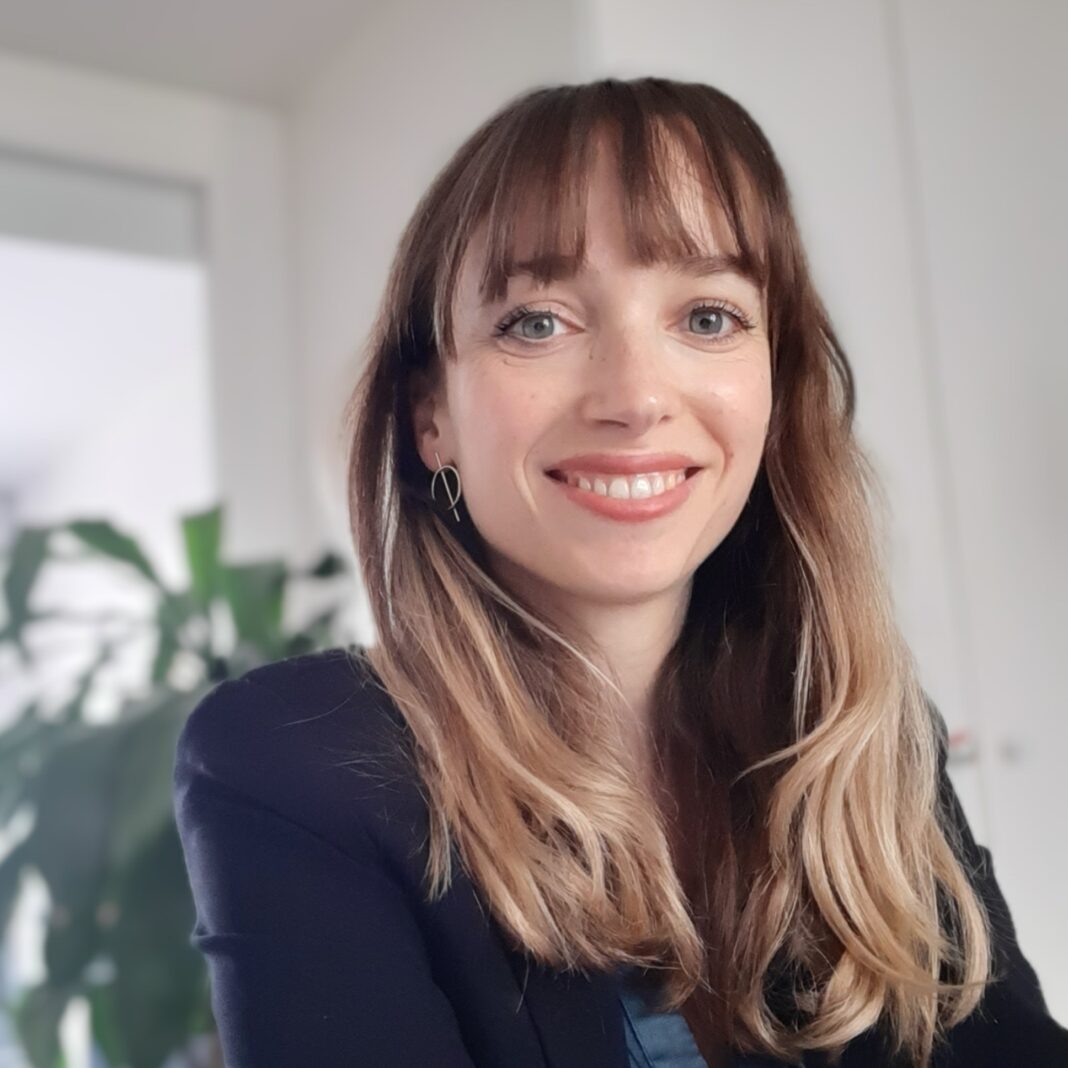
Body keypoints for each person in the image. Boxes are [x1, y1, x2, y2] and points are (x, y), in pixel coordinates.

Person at [172, 76, 1068, 1067]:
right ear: (431, 418)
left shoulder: (865, 736)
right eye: (538, 321)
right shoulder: (292, 764)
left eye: (709, 317)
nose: (636, 397)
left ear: (777, 387)